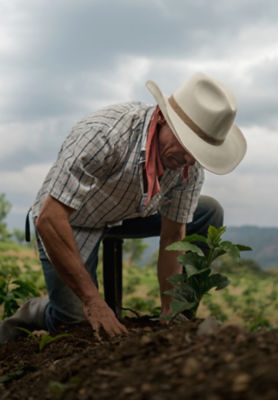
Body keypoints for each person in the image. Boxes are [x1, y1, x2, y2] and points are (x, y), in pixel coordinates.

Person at [0, 72, 246, 343]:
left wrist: (169, 311)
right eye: (186, 144)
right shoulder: (105, 135)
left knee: (208, 211)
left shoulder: (188, 165)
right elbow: (49, 218)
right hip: (71, 219)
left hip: (127, 212)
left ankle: (181, 319)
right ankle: (36, 311)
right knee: (74, 323)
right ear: (163, 118)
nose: (188, 159)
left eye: (198, 152)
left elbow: (174, 235)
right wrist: (92, 300)